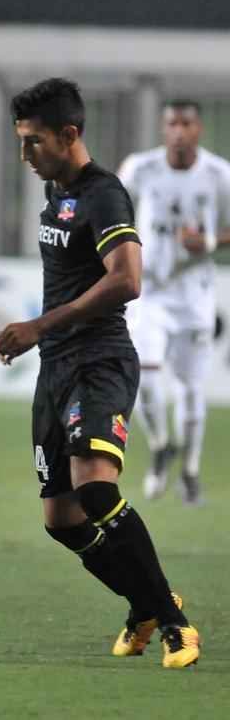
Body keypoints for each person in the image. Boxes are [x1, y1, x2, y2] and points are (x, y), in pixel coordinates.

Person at [0, 78, 199, 668]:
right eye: (20, 142)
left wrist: (39, 325)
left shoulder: (103, 194)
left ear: (70, 134)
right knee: (61, 519)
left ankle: (175, 623)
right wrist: (42, 338)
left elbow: (128, 279)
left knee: (96, 490)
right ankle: (147, 604)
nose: (25, 155)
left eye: (33, 142)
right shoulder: (56, 197)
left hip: (99, 359)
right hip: (57, 369)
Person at [117, 100, 230, 506]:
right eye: (171, 124)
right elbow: (108, 207)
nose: (178, 131)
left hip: (196, 295)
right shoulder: (139, 168)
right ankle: (162, 446)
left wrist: (211, 242)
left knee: (190, 388)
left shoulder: (219, 174)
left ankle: (191, 469)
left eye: (186, 123)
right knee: (144, 376)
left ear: (199, 129)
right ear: (163, 129)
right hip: (150, 293)